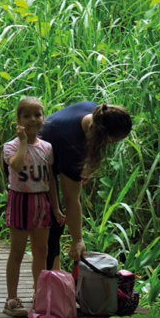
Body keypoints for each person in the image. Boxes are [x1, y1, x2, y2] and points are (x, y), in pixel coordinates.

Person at [39, 102, 133, 268]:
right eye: (112, 141)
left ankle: (55, 274)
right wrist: (78, 240)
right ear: (102, 134)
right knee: (52, 224)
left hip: (45, 155)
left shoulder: (99, 112)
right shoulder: (72, 145)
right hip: (24, 164)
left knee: (54, 223)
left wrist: (87, 166)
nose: (111, 145)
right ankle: (48, 281)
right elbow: (71, 198)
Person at [1, 96, 65, 317]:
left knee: (41, 251)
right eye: (26, 116)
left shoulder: (47, 147)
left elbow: (50, 181)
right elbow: (17, 166)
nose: (32, 119)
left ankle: (39, 295)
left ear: (43, 118)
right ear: (18, 119)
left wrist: (55, 208)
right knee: (17, 251)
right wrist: (21, 142)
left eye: (37, 115)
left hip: (41, 202)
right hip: (20, 201)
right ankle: (11, 299)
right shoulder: (10, 146)